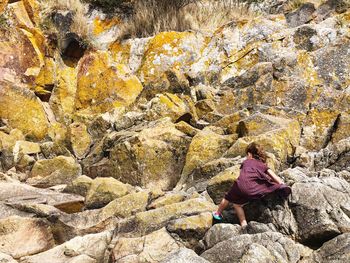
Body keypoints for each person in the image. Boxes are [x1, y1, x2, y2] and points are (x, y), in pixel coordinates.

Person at [212, 142, 291, 227]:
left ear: (249, 154)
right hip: (254, 189)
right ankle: (280, 187)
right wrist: (279, 182)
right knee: (267, 185)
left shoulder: (246, 162)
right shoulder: (262, 165)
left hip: (239, 185)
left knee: (232, 201)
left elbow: (243, 176)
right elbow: (272, 175)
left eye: (247, 155)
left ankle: (222, 215)